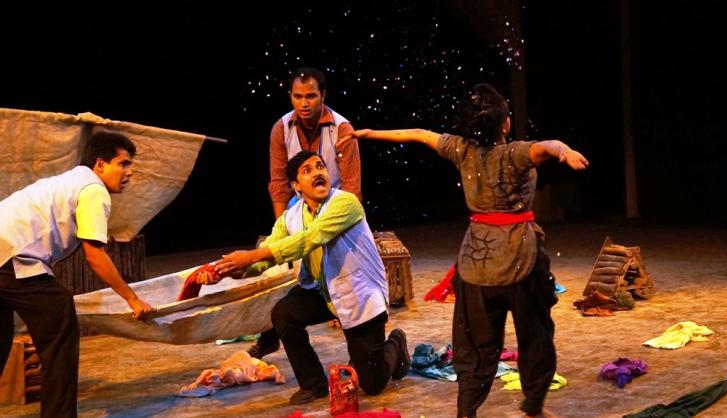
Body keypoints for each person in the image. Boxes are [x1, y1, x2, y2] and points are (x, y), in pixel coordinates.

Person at [344, 83, 588, 418]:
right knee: (535, 336)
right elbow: (547, 146)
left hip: (476, 267)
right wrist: (565, 151)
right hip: (520, 261)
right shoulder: (515, 152)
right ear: (505, 124)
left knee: (475, 346)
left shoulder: (462, 149)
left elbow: (418, 134)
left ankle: (466, 412)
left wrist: (369, 134)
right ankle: (533, 406)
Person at [198, 150, 409, 405]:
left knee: (372, 384)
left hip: (358, 294)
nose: (318, 172)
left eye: (320, 166)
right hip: (322, 291)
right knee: (284, 313)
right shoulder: (291, 216)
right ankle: (313, 384)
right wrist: (229, 271)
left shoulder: (346, 202)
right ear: (296, 185)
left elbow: (310, 238)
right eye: (307, 170)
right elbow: (268, 254)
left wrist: (250, 256)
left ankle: (396, 343)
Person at [0, 131, 154, 417]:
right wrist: (132, 298)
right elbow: (95, 255)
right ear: (100, 164)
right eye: (123, 164)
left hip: (4, 252)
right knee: (59, 320)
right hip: (11, 255)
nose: (129, 172)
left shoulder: (71, 180)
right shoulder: (93, 189)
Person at [252, 66, 362, 359]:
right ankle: (269, 334)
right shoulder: (281, 128)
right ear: (290, 96)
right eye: (298, 96)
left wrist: (335, 224)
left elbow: (352, 186)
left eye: (311, 96)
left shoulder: (341, 128)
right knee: (276, 265)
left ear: (323, 95)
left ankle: (349, 325)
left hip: (336, 207)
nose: (304, 103)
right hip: (300, 206)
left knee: (339, 273)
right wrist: (282, 228)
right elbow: (279, 183)